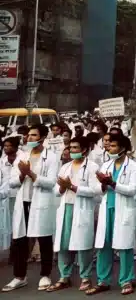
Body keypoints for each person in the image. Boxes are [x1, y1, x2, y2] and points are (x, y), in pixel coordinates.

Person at [4, 124, 60, 292]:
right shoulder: (23, 156)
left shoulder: (51, 157)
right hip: (23, 201)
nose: (29, 138)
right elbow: (12, 182)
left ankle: (45, 274)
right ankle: (19, 276)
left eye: (34, 135)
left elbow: (51, 183)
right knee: (20, 240)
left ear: (43, 137)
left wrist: (30, 173)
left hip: (41, 202)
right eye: (29, 135)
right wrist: (22, 173)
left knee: (43, 239)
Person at [88, 134, 136, 296]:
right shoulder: (105, 166)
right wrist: (103, 185)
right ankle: (103, 280)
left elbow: (132, 190)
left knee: (125, 246)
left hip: (123, 209)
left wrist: (113, 183)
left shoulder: (133, 167)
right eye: (108, 145)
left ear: (123, 148)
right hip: (107, 208)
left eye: (112, 146)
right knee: (104, 245)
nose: (108, 148)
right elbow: (95, 189)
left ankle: (126, 280)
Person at [47, 137, 101, 292]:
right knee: (64, 244)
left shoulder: (92, 167)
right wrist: (63, 188)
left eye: (76, 148)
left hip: (82, 209)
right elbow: (56, 192)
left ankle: (85, 277)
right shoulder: (65, 167)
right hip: (66, 208)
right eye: (70, 148)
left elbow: (96, 191)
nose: (72, 151)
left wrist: (72, 186)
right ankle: (65, 276)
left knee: (84, 245)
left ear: (84, 150)